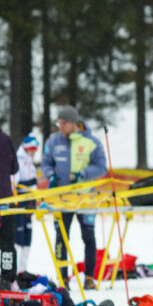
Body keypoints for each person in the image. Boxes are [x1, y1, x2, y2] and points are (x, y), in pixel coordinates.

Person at [41, 106, 107, 290]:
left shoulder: (91, 142)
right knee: (61, 237)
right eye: (58, 123)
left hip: (86, 198)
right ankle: (63, 279)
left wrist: (82, 174)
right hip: (61, 198)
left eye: (63, 123)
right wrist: (50, 174)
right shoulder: (53, 141)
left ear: (73, 123)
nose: (60, 127)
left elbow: (102, 167)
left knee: (88, 237)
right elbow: (46, 163)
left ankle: (89, 277)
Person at [13, 134, 39, 274]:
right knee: (18, 234)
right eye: (32, 149)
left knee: (28, 235)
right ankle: (15, 269)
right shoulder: (18, 160)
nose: (34, 152)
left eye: (36, 149)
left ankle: (23, 269)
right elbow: (15, 183)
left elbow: (32, 184)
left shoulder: (30, 162)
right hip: (20, 202)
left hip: (30, 202)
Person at [0, 126, 19, 289]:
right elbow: (15, 168)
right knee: (7, 241)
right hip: (5, 197)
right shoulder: (5, 139)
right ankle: (7, 278)